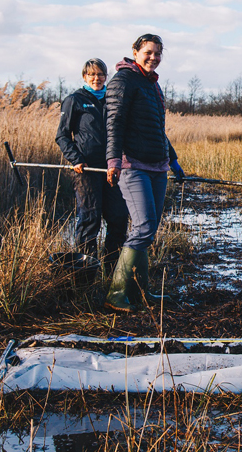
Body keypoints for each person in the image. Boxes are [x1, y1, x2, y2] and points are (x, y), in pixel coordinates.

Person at [104, 33, 186, 313]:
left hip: (156, 166)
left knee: (148, 230)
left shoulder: (152, 84)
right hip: (132, 165)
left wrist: (172, 159)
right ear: (136, 52)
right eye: (148, 52)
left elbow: (156, 129)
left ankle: (141, 292)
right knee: (143, 227)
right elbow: (114, 122)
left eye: (158, 53)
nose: (154, 57)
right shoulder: (123, 81)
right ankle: (116, 293)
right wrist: (113, 160)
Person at [55, 58, 129, 276]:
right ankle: (86, 272)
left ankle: (111, 269)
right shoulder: (75, 100)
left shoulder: (112, 99)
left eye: (100, 74)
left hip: (112, 168)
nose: (97, 78)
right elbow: (62, 136)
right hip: (86, 170)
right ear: (85, 76)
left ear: (106, 76)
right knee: (90, 220)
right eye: (92, 75)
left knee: (118, 218)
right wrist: (75, 159)